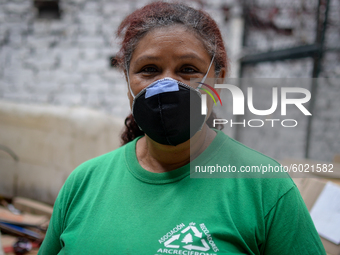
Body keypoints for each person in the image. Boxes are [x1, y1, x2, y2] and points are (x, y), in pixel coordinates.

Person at [38, 2, 326, 254]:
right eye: (149, 69)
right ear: (127, 80)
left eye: (188, 69)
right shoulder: (83, 183)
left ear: (218, 78)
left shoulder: (267, 189)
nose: (167, 86)